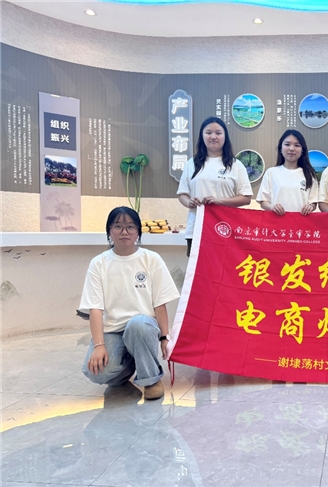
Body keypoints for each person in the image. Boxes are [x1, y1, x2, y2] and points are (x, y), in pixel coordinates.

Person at [80, 207, 180, 400]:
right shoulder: (98, 263)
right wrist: (99, 345)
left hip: (143, 327)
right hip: (113, 330)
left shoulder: (151, 259)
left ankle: (150, 379)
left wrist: (164, 337)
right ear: (109, 231)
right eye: (118, 226)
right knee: (97, 372)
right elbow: (95, 309)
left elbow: (160, 303)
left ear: (138, 232)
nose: (124, 232)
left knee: (138, 325)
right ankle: (129, 367)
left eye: (130, 227)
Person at [177, 116, 252, 256]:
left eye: (218, 133)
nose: (213, 137)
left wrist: (219, 201)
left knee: (227, 268)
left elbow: (246, 198)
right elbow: (182, 194)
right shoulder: (191, 163)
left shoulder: (236, 165)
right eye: (208, 132)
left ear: (225, 136)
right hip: (197, 229)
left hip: (227, 230)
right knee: (198, 268)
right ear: (202, 136)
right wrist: (189, 202)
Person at [256, 129, 318, 216]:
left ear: (302, 150)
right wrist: (272, 207)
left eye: (297, 145)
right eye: (287, 144)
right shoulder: (271, 172)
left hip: (301, 222)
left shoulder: (310, 174)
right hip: (277, 221)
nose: (291, 149)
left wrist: (310, 206)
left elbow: (313, 202)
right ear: (281, 149)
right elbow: (263, 201)